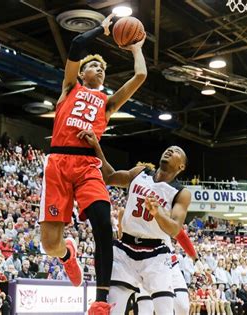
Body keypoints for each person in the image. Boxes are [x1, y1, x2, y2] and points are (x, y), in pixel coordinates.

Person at [39, 12, 147, 315]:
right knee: (50, 245)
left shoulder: (108, 104)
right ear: (82, 73)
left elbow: (140, 77)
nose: (98, 69)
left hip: (88, 166)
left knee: (103, 226)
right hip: (58, 162)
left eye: (102, 67)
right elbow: (75, 45)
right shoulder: (69, 89)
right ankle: (67, 254)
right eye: (93, 65)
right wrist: (103, 27)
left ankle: (101, 300)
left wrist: (136, 47)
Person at [80, 130, 191, 315]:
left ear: (181, 167)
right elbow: (109, 176)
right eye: (169, 148)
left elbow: (174, 229)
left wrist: (158, 214)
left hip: (156, 254)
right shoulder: (140, 173)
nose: (170, 151)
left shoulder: (180, 192)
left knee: (167, 311)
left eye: (176, 151)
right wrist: (97, 147)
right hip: (126, 250)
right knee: (113, 310)